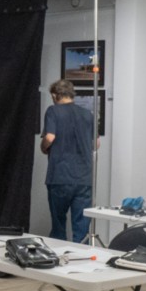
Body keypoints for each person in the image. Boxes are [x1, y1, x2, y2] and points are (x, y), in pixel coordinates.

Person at [41, 79, 95, 243]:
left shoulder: (53, 111)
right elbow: (96, 144)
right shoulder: (88, 114)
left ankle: (59, 255)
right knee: (82, 229)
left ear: (54, 95)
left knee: (58, 227)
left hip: (60, 176)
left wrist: (43, 147)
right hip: (84, 178)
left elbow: (50, 137)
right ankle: (81, 257)